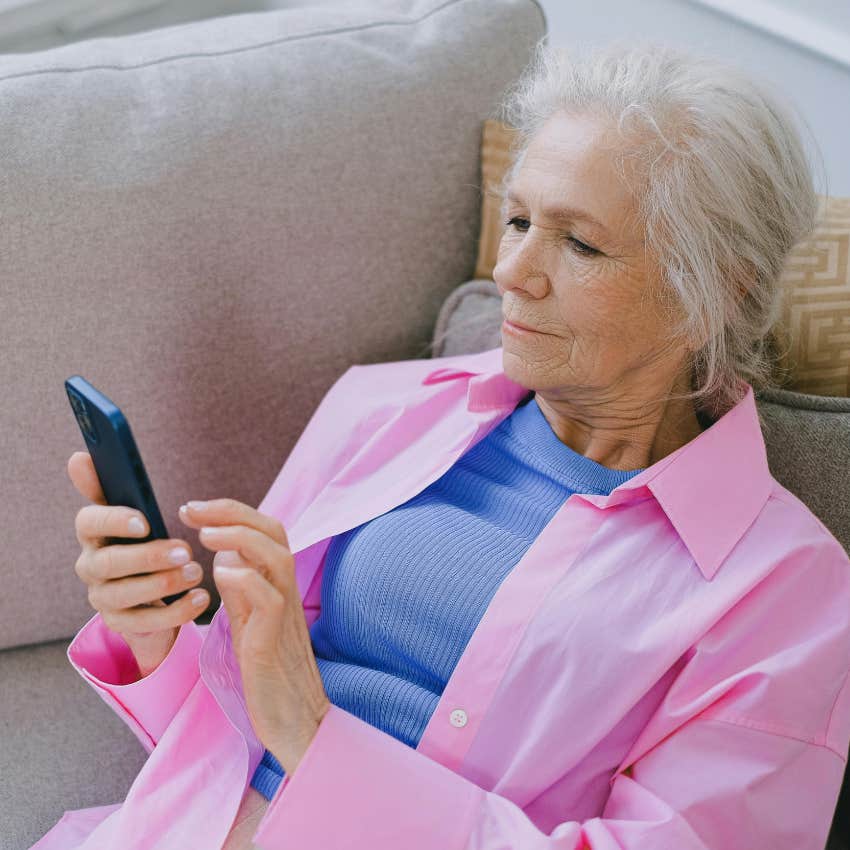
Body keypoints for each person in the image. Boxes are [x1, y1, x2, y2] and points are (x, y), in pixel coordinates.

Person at [33, 39, 850, 850]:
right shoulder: (383, 407)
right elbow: (221, 735)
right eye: (520, 219)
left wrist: (316, 736)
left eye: (580, 244)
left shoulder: (785, 590)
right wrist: (157, 631)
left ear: (714, 288)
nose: (513, 271)